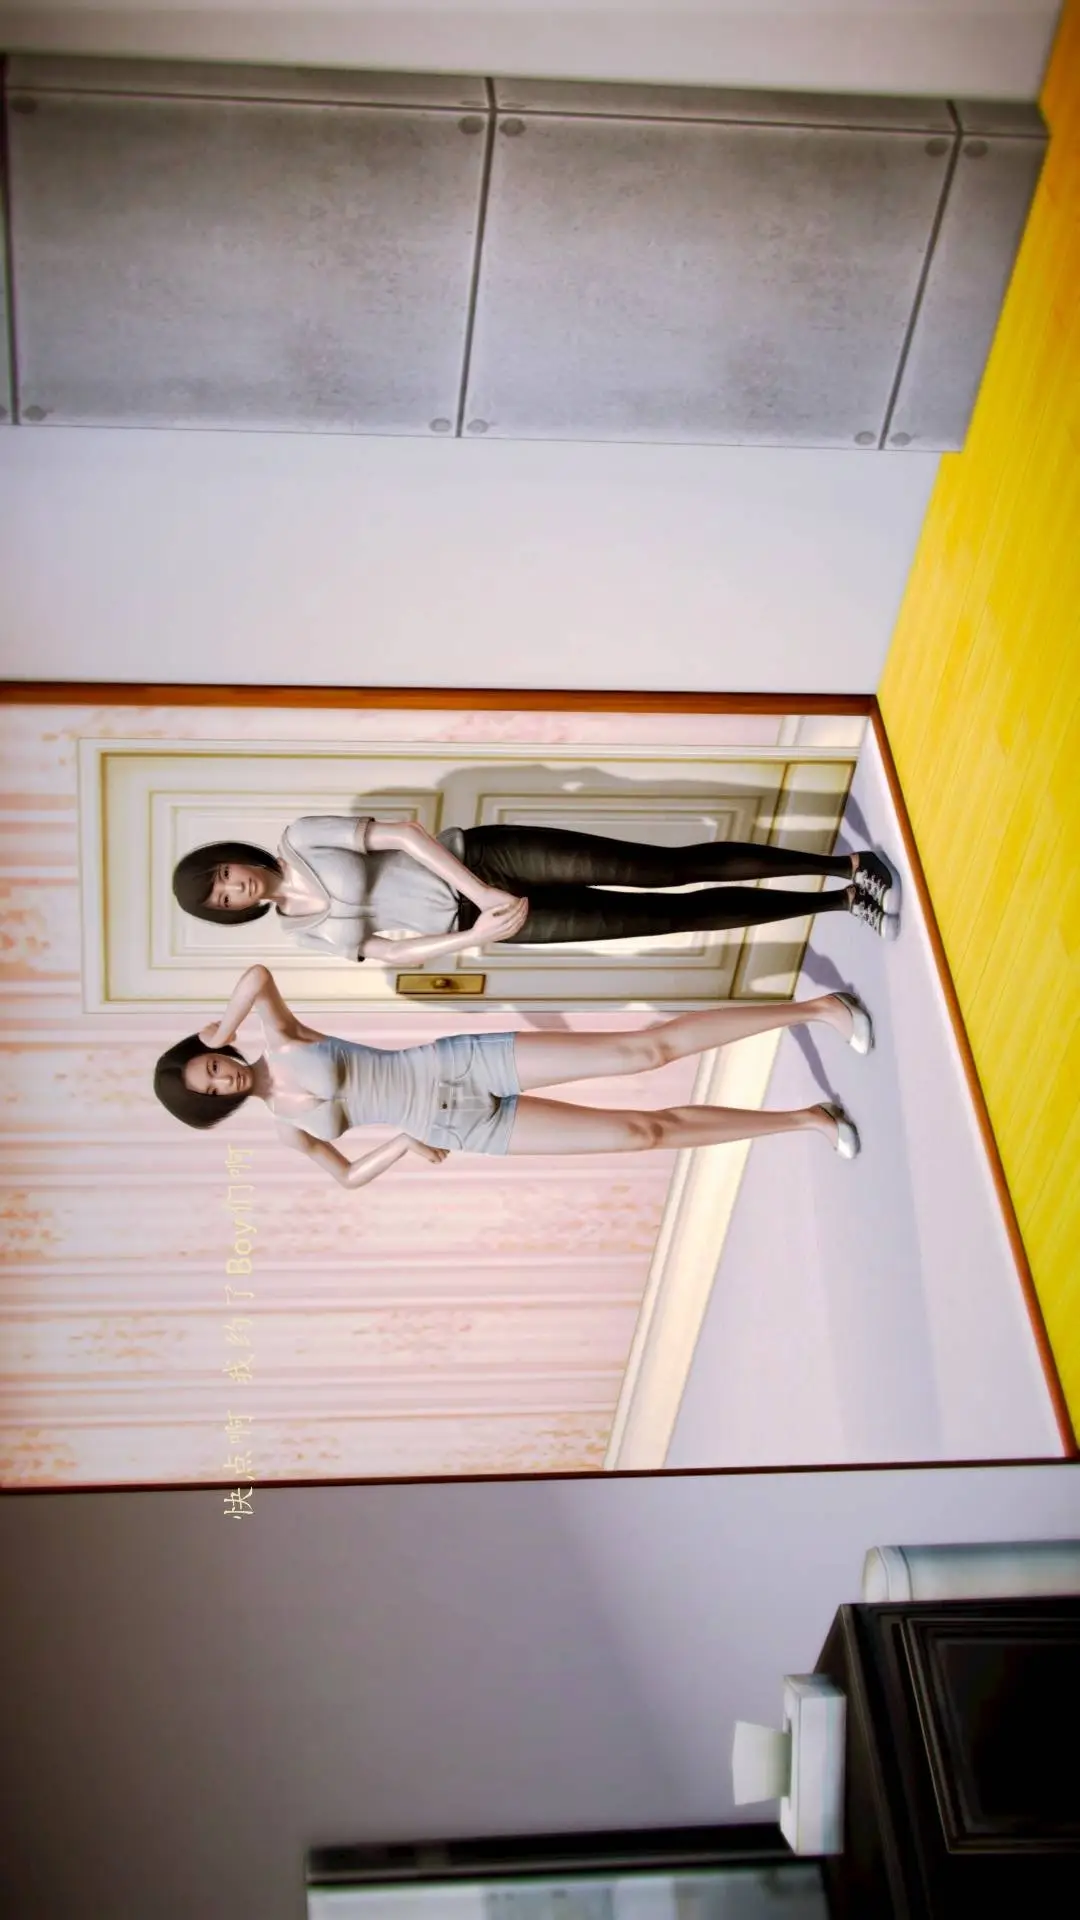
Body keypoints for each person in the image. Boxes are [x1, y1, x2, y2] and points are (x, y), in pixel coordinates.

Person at [153, 964, 873, 1173]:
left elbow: (256, 975)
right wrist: (403, 1143)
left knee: (642, 1052)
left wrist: (223, 1025)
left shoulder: (280, 1039)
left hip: (462, 1064)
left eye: (211, 1064)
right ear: (214, 1105)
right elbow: (344, 1177)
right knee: (639, 1134)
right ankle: (806, 1120)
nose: (221, 1076)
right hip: (465, 1130)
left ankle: (818, 1009)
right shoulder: (287, 1127)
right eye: (211, 1087)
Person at [171, 814, 899, 963]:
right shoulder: (299, 932)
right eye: (223, 899)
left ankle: (845, 864)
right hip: (490, 922)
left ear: (232, 859)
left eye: (224, 875)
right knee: (665, 921)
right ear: (232, 912)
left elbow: (402, 834)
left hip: (487, 858)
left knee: (667, 869)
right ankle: (839, 902)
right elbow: (387, 955)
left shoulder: (301, 836)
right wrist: (472, 935)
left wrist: (481, 890)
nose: (235, 888)